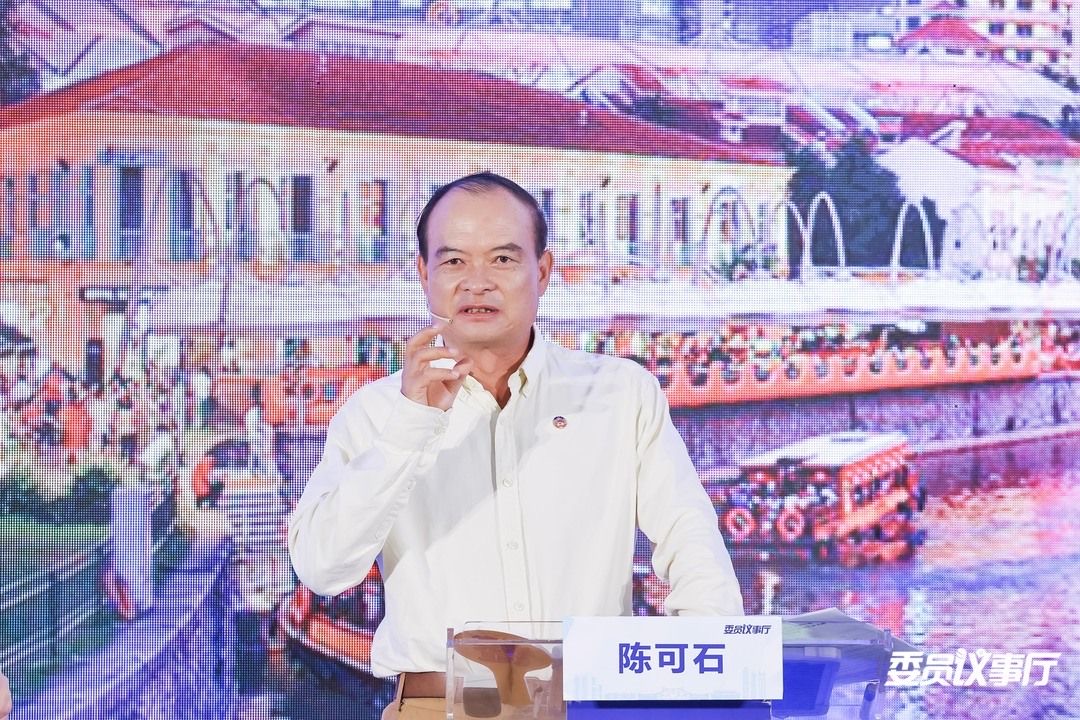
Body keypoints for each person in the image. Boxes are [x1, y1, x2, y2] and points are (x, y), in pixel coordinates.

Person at [287, 172, 743, 719]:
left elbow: (690, 537)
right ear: (424, 274)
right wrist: (412, 425)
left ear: (542, 271)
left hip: (591, 703)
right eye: (454, 261)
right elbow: (322, 568)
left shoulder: (620, 394)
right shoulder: (376, 413)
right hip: (439, 706)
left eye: (502, 259)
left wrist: (709, 681)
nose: (477, 283)